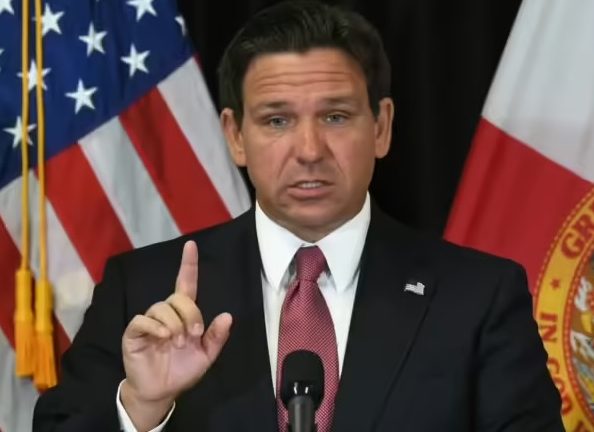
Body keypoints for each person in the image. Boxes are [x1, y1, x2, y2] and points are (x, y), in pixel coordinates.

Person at [33, 1, 563, 431]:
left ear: (381, 127)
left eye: (335, 116)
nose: (309, 150)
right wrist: (140, 409)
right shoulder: (142, 290)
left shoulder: (478, 298)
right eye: (277, 120)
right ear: (235, 136)